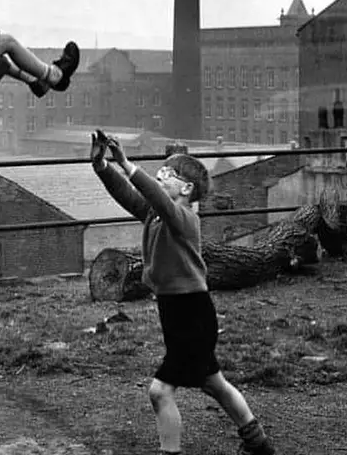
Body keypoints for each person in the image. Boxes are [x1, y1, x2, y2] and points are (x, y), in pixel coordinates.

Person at [90, 130, 276, 455]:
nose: (160, 175)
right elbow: (130, 196)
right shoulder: (156, 215)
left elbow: (156, 197)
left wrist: (126, 163)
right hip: (179, 313)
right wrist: (102, 166)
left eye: (168, 174)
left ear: (187, 189)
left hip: (192, 315)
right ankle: (257, 442)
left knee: (160, 391)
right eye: (159, 171)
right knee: (212, 382)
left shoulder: (185, 219)